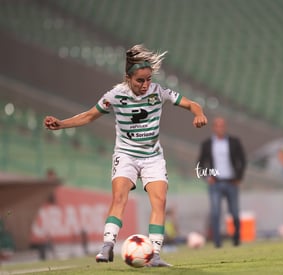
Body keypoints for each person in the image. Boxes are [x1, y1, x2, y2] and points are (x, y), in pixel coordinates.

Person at [44, 44, 208, 266]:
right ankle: (107, 247)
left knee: (159, 202)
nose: (145, 84)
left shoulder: (158, 92)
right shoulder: (115, 96)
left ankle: (155, 255)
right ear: (128, 77)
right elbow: (90, 115)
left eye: (148, 79)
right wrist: (61, 124)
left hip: (153, 156)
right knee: (119, 197)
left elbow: (191, 104)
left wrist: (198, 113)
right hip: (126, 154)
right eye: (140, 80)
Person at [197, 117, 246, 248]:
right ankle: (217, 242)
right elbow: (200, 164)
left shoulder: (234, 142)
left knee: (235, 212)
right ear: (213, 128)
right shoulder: (207, 144)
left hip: (231, 182)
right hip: (216, 183)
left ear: (225, 127)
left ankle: (236, 239)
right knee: (215, 213)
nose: (220, 128)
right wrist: (208, 177)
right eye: (217, 125)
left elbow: (242, 160)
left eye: (222, 125)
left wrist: (239, 177)